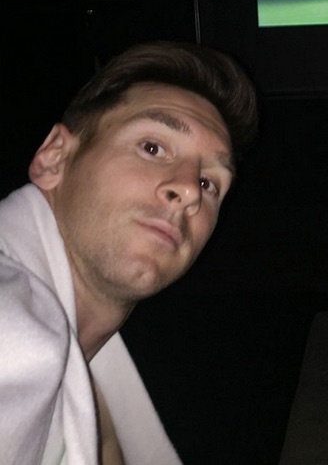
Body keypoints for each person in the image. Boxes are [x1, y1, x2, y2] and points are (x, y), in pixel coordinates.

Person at [0, 40, 259, 465]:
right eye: (152, 148)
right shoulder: (15, 334)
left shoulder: (82, 363)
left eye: (209, 183)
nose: (189, 190)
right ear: (54, 157)